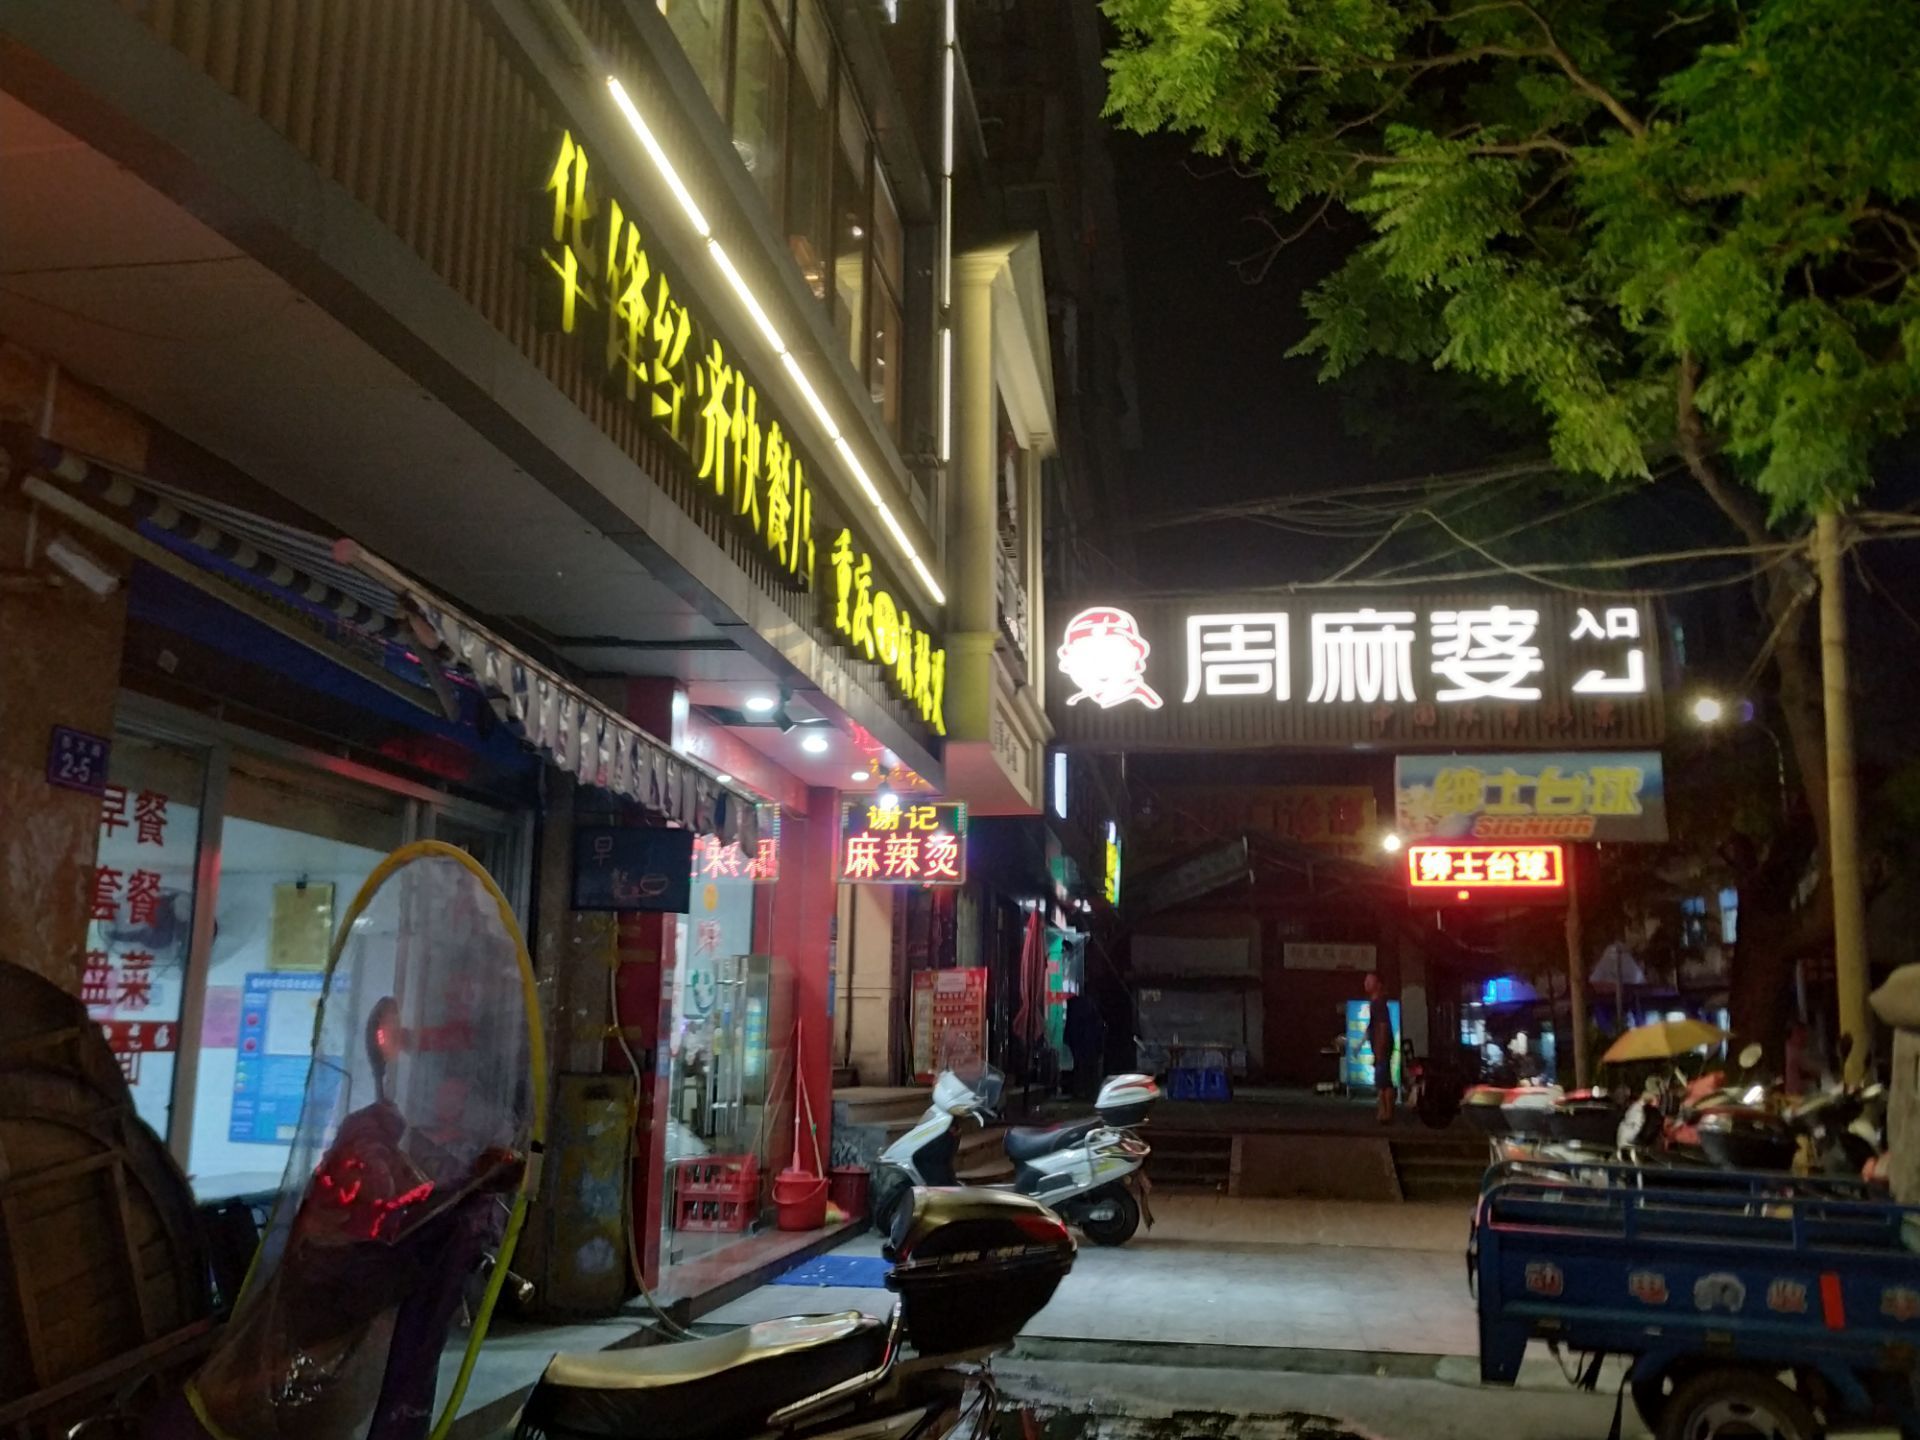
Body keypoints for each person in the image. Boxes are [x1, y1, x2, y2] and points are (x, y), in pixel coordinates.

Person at [1363, 973, 1396, 1124]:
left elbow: (1382, 1027)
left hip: (1382, 1047)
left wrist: (1379, 1049)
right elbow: (1372, 1027)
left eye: (1369, 981)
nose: (1366, 984)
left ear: (1377, 985)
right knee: (1382, 1081)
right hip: (1381, 1047)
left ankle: (1386, 1113)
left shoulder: (1378, 1003)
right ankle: (1384, 1112)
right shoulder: (1376, 1003)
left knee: (1383, 1082)